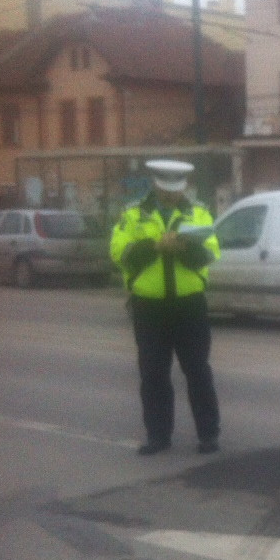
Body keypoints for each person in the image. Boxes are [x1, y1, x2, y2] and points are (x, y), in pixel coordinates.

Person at [110, 160, 221, 455]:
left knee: (198, 370)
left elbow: (210, 253)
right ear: (155, 184)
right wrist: (155, 246)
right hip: (149, 308)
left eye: (176, 190)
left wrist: (183, 248)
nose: (171, 195)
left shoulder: (198, 214)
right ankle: (158, 436)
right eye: (165, 190)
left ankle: (208, 434)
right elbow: (120, 252)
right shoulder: (133, 215)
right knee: (153, 373)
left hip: (190, 306)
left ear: (184, 186)